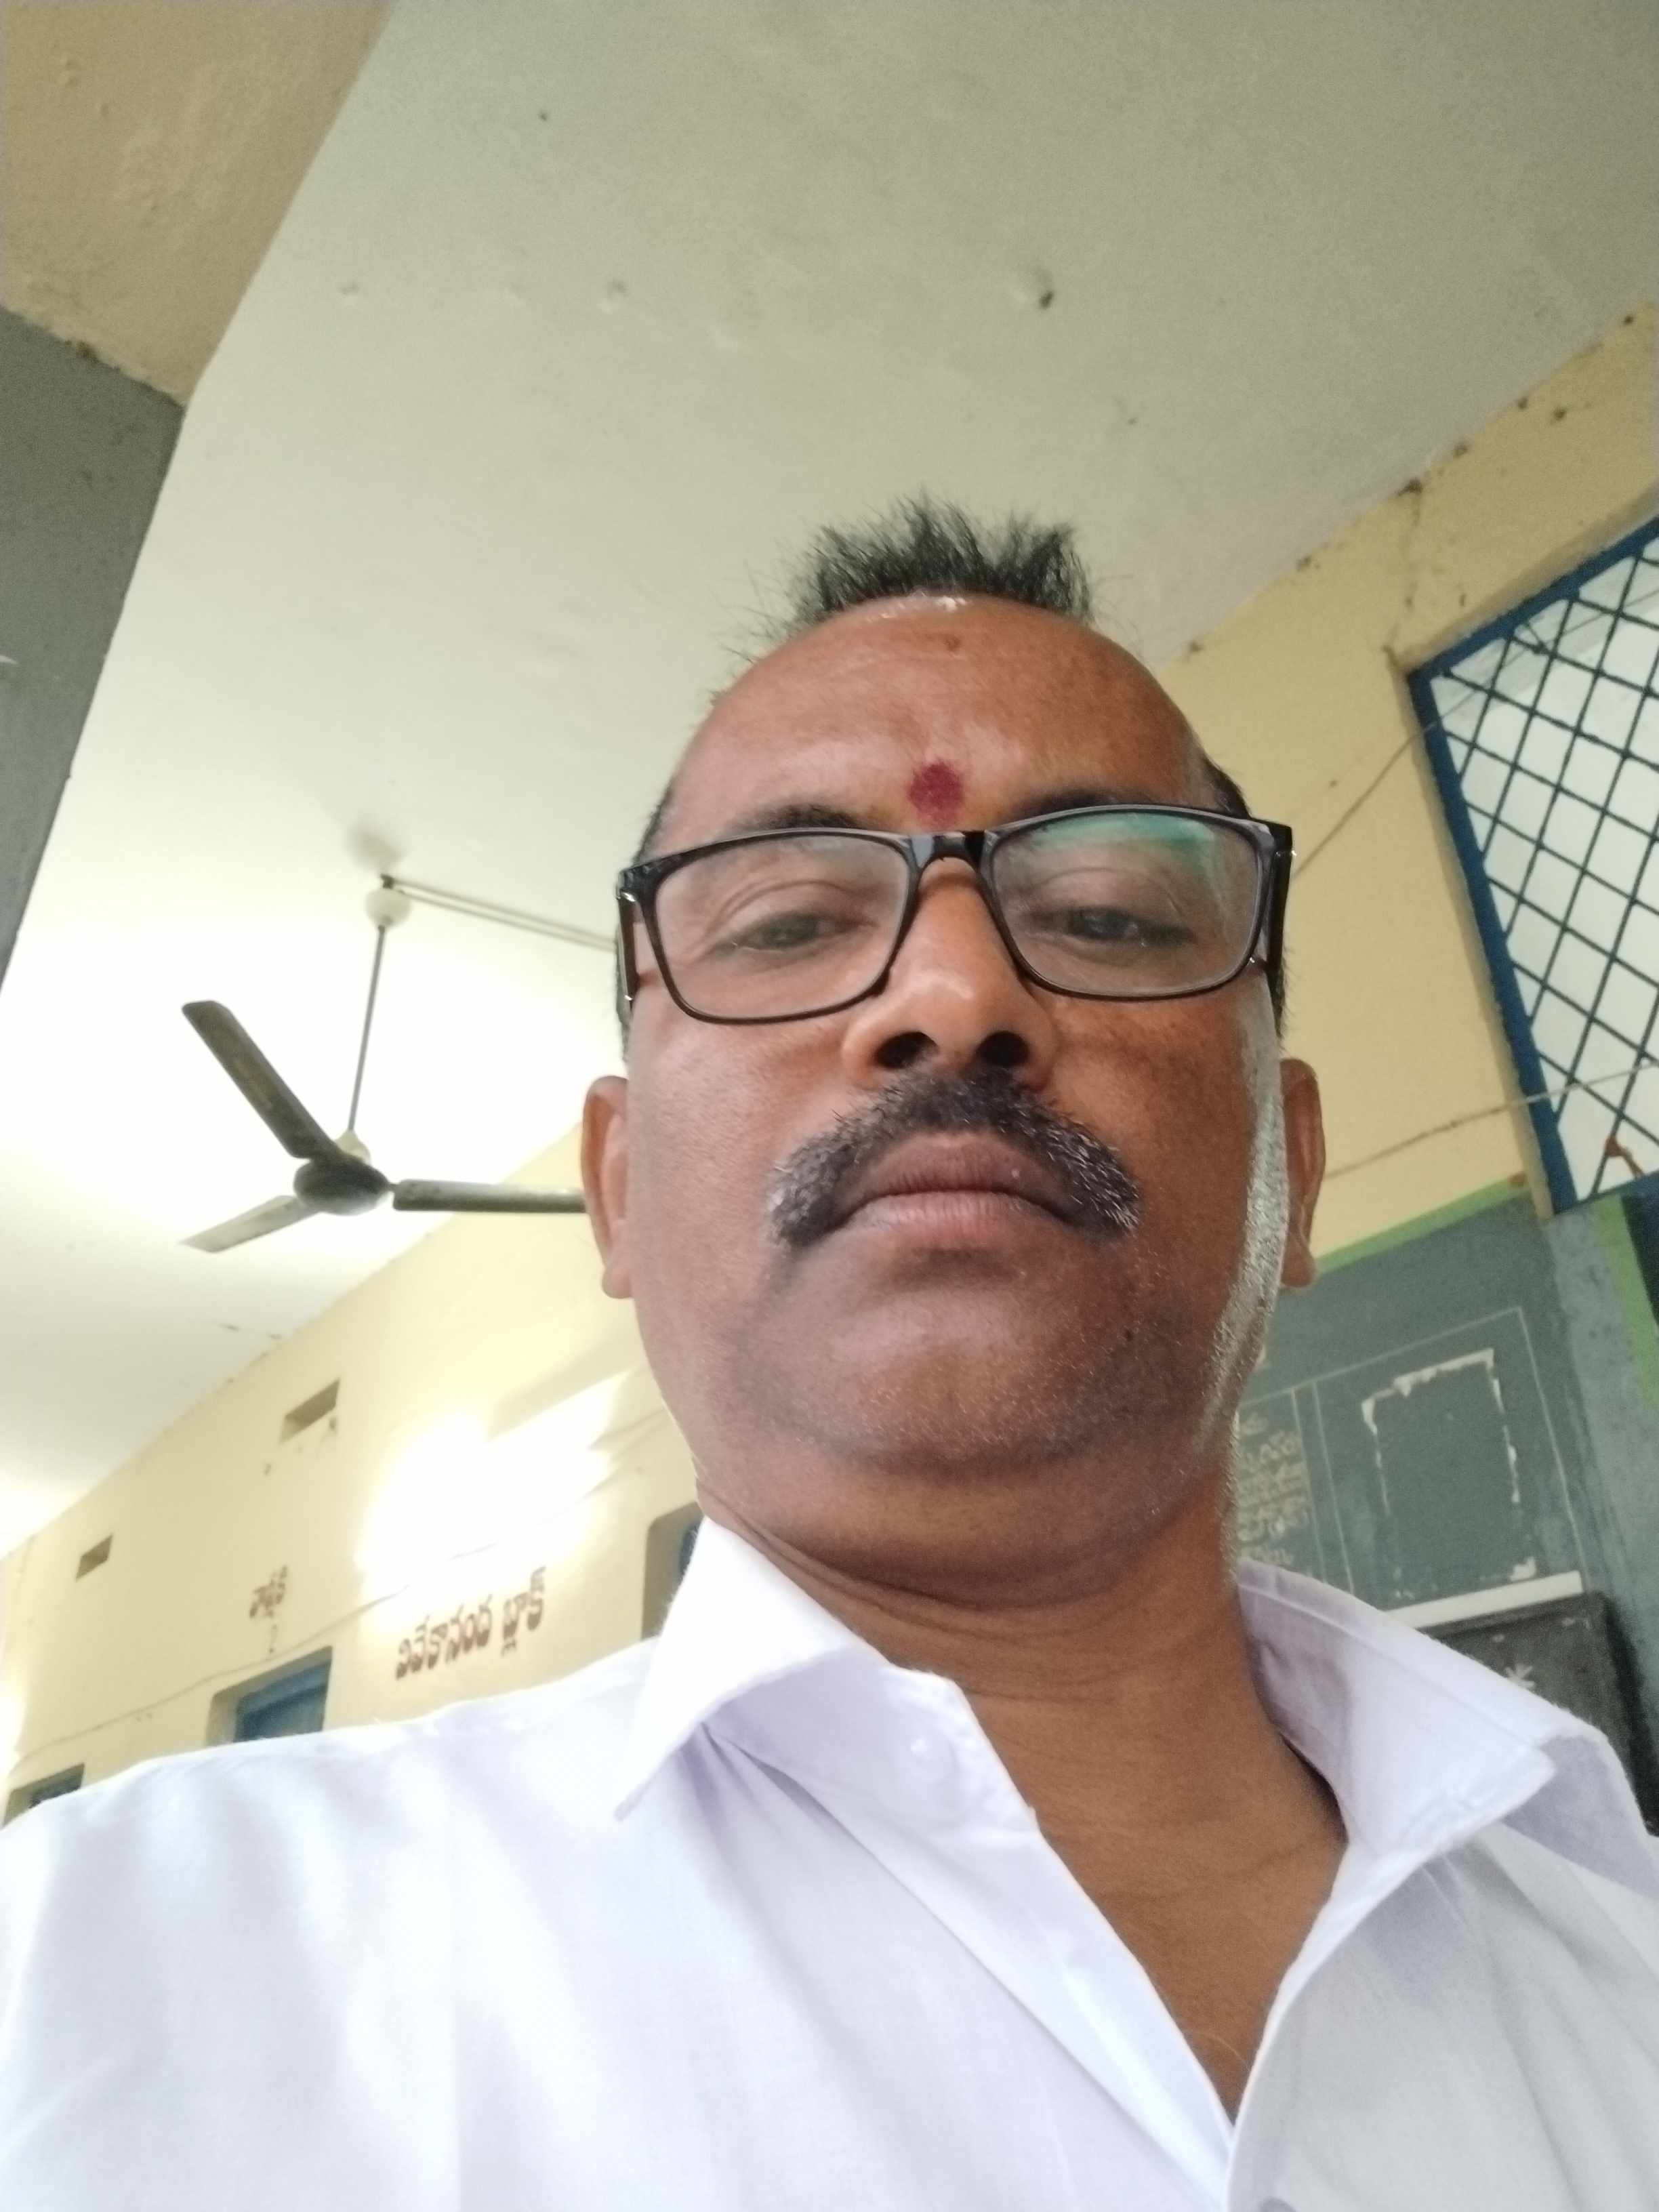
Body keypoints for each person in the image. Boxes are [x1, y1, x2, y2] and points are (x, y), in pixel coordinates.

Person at [2, 501, 1656, 2209]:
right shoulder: (104, 1978)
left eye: (1103, 913)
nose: (951, 994)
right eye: (791, 922)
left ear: (1290, 1172)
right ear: (619, 1192)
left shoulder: (1621, 1994)